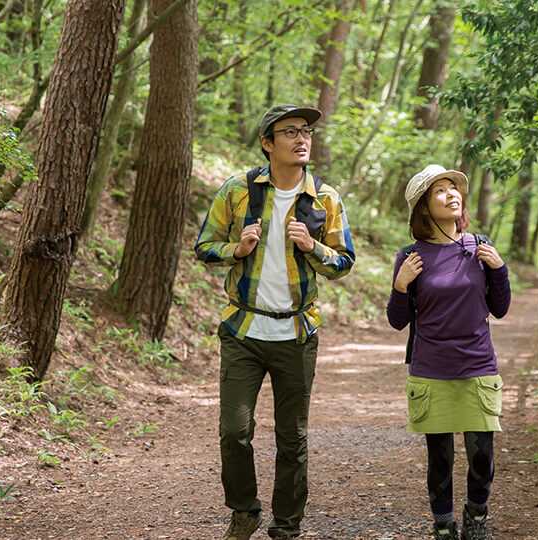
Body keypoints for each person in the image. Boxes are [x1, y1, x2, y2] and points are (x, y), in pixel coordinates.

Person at [194, 104, 355, 540]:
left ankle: (287, 526)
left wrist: (313, 248)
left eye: (306, 131)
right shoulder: (238, 191)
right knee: (234, 431)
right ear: (268, 143)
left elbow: (343, 263)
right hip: (243, 331)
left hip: (297, 335)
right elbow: (203, 246)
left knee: (292, 438)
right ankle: (244, 511)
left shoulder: (325, 198)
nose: (302, 139)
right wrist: (236, 250)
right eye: (290, 132)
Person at [386, 164, 511, 540]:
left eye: (454, 188)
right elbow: (397, 320)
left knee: (481, 454)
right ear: (424, 206)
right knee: (440, 458)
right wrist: (401, 285)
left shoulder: (480, 246)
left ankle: (476, 517)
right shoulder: (412, 256)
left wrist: (499, 268)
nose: (451, 194)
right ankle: (443, 524)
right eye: (440, 191)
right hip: (432, 368)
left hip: (477, 364)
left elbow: (500, 308)